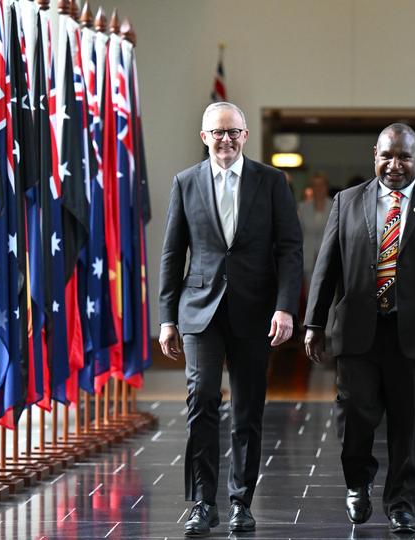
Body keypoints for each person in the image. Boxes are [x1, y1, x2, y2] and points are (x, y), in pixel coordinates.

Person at [304, 123, 415, 534]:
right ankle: (358, 483)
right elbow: (327, 267)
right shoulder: (347, 201)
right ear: (374, 155)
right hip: (359, 331)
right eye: (387, 155)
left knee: (411, 423)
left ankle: (401, 503)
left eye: (403, 156)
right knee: (356, 416)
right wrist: (314, 322)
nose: (394, 164)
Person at [158, 102, 302, 536]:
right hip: (199, 310)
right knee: (201, 401)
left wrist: (285, 306)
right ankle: (203, 502)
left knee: (246, 410)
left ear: (245, 135)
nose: (226, 140)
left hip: (256, 311)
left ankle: (241, 500)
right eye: (217, 133)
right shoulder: (185, 183)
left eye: (233, 132)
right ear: (204, 137)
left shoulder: (272, 182)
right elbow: (171, 253)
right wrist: (166, 318)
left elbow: (290, 250)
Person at [298, 172, 333, 295]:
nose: (318, 189)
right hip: (309, 257)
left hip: (328, 257)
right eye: (315, 185)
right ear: (311, 188)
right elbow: (298, 234)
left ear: (326, 187)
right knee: (310, 295)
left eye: (321, 185)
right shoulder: (302, 208)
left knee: (329, 294)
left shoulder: (334, 205)